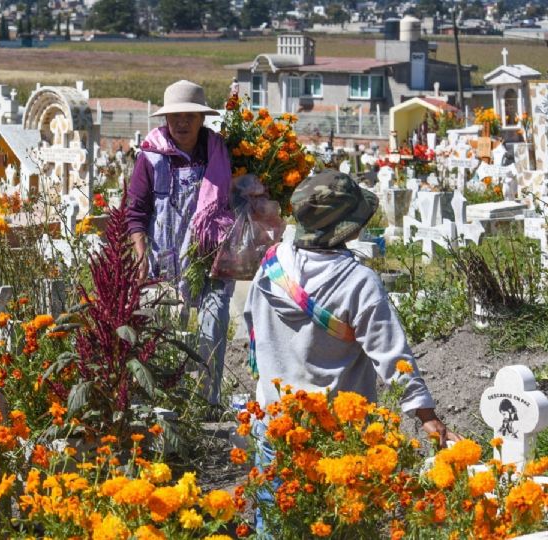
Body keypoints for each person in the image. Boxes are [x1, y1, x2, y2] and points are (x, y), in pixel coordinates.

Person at [243, 169, 458, 531]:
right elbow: (392, 356)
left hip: (274, 422)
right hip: (336, 435)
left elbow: (252, 324)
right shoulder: (357, 282)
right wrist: (428, 418)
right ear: (350, 228)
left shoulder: (271, 265)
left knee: (277, 524)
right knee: (340, 525)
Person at [126, 80, 236, 408]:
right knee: (162, 335)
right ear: (166, 120)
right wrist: (141, 252)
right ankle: (167, 406)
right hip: (164, 260)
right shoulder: (152, 156)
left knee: (212, 329)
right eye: (176, 117)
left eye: (189, 116)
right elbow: (136, 209)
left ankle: (206, 401)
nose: (182, 123)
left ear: (202, 119)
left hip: (210, 258)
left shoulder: (218, 151)